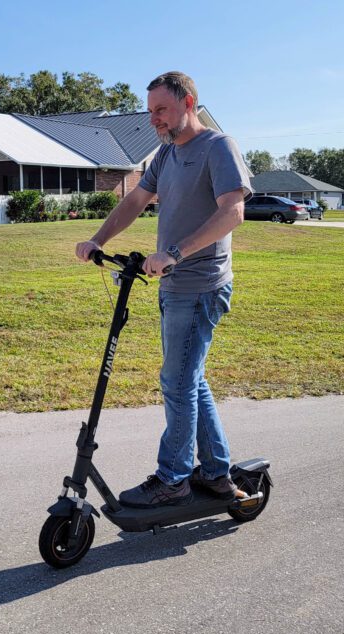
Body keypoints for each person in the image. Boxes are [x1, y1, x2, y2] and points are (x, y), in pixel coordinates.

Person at [75, 71, 252, 508]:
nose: (154, 118)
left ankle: (173, 478)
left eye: (162, 110)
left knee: (177, 382)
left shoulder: (217, 147)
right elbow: (135, 201)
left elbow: (234, 213)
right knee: (191, 379)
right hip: (173, 286)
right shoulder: (166, 155)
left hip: (201, 285)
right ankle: (215, 472)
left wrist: (174, 252)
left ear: (188, 103)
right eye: (151, 110)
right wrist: (99, 240)